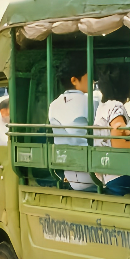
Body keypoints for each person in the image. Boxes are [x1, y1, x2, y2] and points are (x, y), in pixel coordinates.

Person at [48, 54, 97, 191]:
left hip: (68, 172)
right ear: (74, 80)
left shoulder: (53, 105)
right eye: (89, 76)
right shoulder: (90, 103)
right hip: (91, 173)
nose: (93, 80)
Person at [94, 64, 130, 196]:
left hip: (104, 174)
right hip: (119, 175)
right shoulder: (116, 106)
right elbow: (119, 142)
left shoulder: (101, 107)